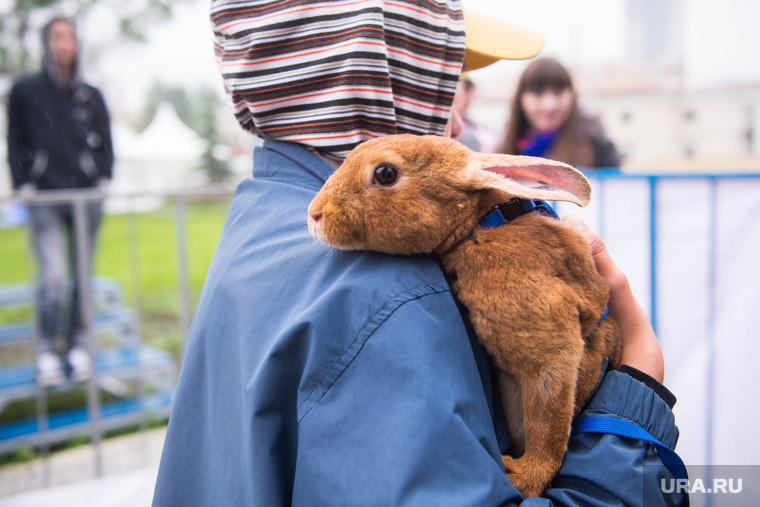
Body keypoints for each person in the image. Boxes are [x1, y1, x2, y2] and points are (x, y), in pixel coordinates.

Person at [153, 2, 683, 505]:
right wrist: (635, 405)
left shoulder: (265, 212)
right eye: (444, 82)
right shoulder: (390, 299)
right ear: (381, 84)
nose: (457, 124)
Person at [6, 17, 114, 387]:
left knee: (81, 276)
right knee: (52, 277)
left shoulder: (88, 92)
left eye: (70, 36)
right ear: (46, 43)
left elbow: (105, 138)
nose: (65, 43)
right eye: (58, 36)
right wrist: (23, 181)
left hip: (85, 196)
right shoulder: (25, 90)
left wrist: (103, 177)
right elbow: (14, 139)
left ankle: (78, 346)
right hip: (46, 196)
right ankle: (46, 352)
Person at [499, 57, 621, 168]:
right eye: (538, 93)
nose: (549, 105)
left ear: (572, 95)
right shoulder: (503, 154)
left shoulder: (599, 148)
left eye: (558, 92)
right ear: (521, 98)